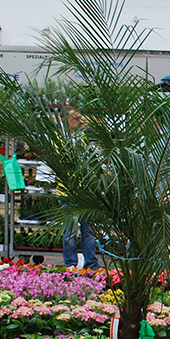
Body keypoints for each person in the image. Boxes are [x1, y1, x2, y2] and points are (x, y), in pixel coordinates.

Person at [61, 109, 99, 270]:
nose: (81, 122)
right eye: (77, 119)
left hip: (86, 192)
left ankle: (91, 265)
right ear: (67, 120)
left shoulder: (84, 139)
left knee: (88, 231)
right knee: (69, 232)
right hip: (68, 192)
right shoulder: (60, 139)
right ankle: (70, 265)